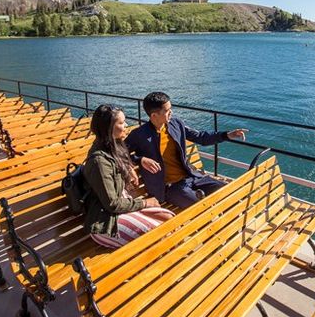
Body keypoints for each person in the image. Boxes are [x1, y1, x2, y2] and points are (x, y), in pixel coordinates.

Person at [125, 92, 248, 208]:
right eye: (167, 111)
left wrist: (227, 135)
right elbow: (119, 152)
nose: (171, 112)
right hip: (170, 187)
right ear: (154, 115)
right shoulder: (139, 135)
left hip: (191, 177)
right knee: (202, 206)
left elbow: (201, 137)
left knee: (228, 191)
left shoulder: (176, 124)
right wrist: (140, 160)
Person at [83, 104, 175, 248]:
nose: (126, 125)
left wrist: (130, 167)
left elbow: (125, 158)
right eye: (121, 123)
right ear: (109, 128)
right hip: (106, 221)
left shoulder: (114, 146)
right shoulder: (99, 162)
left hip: (122, 206)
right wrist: (145, 203)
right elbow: (113, 204)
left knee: (170, 218)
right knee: (161, 233)